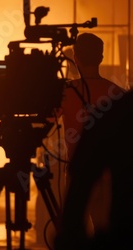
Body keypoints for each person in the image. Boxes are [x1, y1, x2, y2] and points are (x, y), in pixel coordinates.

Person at [55, 33, 126, 242]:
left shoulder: (66, 92)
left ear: (75, 59)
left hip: (79, 173)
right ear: (101, 58)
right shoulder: (118, 93)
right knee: (106, 234)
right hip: (110, 175)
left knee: (72, 231)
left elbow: (44, 121)